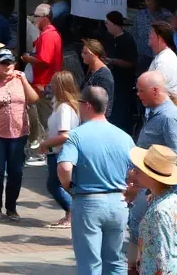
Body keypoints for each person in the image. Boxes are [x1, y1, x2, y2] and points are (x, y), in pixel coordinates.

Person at [57, 86, 136, 275]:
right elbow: (136, 171)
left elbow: (65, 167)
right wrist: (131, 192)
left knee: (89, 262)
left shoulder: (76, 135)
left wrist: (69, 187)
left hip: (88, 201)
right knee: (116, 260)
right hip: (118, 202)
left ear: (87, 106)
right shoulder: (124, 136)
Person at [129, 71, 177, 266]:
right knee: (138, 230)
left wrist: (168, 194)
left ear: (155, 90)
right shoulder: (154, 112)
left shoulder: (169, 117)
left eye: (141, 91)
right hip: (150, 187)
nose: (138, 94)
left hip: (158, 190)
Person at [0, 48, 38, 221]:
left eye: (9, 63)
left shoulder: (20, 81)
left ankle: (11, 207)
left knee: (16, 172)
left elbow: (33, 99)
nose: (6, 66)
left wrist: (24, 80)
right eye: (3, 63)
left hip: (18, 134)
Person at [130, 144, 177, 275]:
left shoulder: (159, 211)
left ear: (151, 176)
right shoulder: (171, 198)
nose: (135, 172)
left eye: (139, 169)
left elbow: (162, 255)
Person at [22, 4, 63, 165]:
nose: (34, 20)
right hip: (45, 82)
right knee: (42, 118)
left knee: (43, 119)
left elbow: (43, 60)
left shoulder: (48, 36)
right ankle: (44, 151)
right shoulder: (48, 34)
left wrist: (27, 58)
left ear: (45, 17)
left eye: (36, 17)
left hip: (43, 83)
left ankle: (45, 152)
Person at [41, 70, 81, 230]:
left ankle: (72, 212)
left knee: (55, 185)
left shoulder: (64, 107)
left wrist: (46, 144)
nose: (51, 86)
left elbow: (64, 134)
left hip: (59, 152)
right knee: (62, 184)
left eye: (54, 84)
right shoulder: (67, 105)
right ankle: (71, 213)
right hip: (61, 151)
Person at [103, 11, 138, 132]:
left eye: (107, 23)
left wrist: (114, 61)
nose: (105, 25)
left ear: (114, 24)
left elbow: (132, 63)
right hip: (110, 81)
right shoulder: (107, 37)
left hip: (123, 82)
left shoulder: (127, 40)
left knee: (121, 110)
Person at [134, 0, 173, 72]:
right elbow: (135, 31)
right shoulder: (140, 14)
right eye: (146, 0)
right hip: (143, 53)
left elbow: (171, 32)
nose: (148, 3)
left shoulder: (166, 14)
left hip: (159, 53)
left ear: (156, 1)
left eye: (149, 0)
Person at [148, 22, 177, 100]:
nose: (149, 35)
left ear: (160, 39)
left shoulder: (165, 59)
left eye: (152, 34)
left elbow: (157, 88)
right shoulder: (161, 56)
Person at [81, 39, 116, 108]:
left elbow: (105, 104)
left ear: (95, 55)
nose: (82, 55)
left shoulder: (104, 76)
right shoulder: (92, 71)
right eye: (82, 52)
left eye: (85, 53)